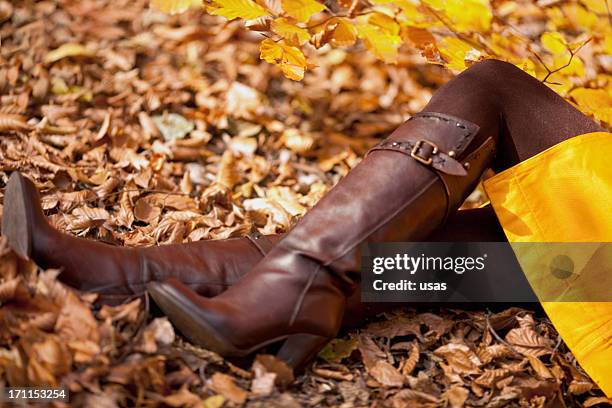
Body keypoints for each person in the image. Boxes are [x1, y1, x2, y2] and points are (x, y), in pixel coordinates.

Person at [2, 60, 610, 395]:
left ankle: (290, 293)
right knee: (498, 249)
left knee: (494, 88)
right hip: (593, 269)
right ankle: (130, 275)